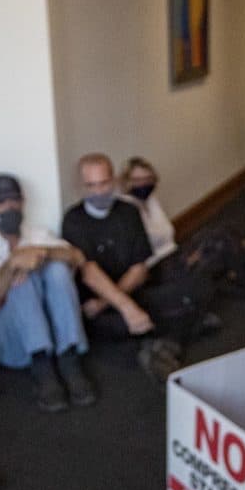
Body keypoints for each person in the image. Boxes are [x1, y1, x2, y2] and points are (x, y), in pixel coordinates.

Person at [62, 153, 208, 381]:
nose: (99, 191)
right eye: (92, 185)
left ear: (113, 181)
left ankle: (160, 345)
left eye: (104, 183)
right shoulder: (73, 220)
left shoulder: (128, 212)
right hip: (101, 309)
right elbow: (90, 273)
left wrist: (110, 302)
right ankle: (171, 336)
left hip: (118, 297)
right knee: (124, 323)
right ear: (81, 187)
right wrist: (125, 308)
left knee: (194, 289)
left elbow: (139, 270)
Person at [0, 173, 98, 413]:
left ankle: (69, 359)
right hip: (11, 341)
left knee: (57, 268)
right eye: (2, 202)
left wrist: (39, 252)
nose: (10, 207)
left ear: (23, 202)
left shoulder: (38, 234)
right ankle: (42, 367)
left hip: (51, 333)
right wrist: (12, 263)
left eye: (14, 200)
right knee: (18, 281)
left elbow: (77, 257)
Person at [122, 156, 245, 308]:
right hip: (158, 269)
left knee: (233, 231)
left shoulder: (151, 200)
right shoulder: (127, 211)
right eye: (137, 180)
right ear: (127, 182)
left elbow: (167, 236)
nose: (143, 184)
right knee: (222, 240)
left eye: (147, 178)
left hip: (174, 253)